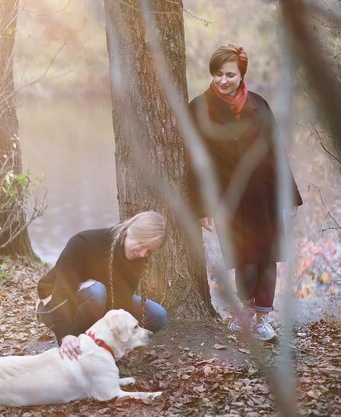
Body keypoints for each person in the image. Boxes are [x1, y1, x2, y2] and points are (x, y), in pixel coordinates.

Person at [187, 43, 303, 341]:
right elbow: (193, 161)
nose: (223, 81)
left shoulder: (259, 104)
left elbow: (276, 150)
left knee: (266, 256)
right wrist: (200, 206)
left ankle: (263, 319)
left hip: (263, 195)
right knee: (242, 258)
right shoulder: (199, 108)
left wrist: (288, 196)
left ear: (241, 75)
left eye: (229, 75)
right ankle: (246, 311)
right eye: (217, 74)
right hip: (228, 197)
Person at [36, 211, 168, 360]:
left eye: (149, 251)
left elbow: (121, 303)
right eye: (141, 244)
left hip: (99, 303)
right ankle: (78, 346)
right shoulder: (83, 242)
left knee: (158, 315)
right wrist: (66, 335)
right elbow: (61, 294)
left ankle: (99, 346)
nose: (143, 254)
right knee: (96, 291)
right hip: (53, 305)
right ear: (130, 231)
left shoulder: (137, 257)